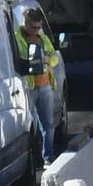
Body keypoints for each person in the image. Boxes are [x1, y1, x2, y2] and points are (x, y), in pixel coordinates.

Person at [18, 10, 62, 164]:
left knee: (48, 124)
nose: (36, 31)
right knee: (30, 126)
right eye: (33, 27)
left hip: (44, 86)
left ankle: (48, 157)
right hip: (27, 88)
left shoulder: (43, 39)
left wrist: (48, 59)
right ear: (25, 22)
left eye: (39, 28)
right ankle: (32, 159)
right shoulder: (17, 39)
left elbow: (55, 56)